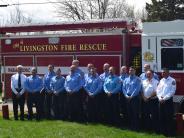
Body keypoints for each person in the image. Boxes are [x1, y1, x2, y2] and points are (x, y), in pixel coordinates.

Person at [156, 68, 176, 136]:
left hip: (168, 101)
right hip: (160, 101)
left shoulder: (172, 80)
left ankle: (170, 132)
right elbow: (158, 90)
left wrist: (164, 99)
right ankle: (163, 132)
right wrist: (159, 98)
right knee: (161, 117)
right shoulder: (161, 80)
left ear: (168, 73)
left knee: (169, 117)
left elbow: (172, 92)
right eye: (162, 72)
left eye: (164, 72)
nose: (162, 73)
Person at [123, 66, 142, 130]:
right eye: (130, 70)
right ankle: (130, 126)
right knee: (129, 112)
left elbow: (137, 89)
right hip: (127, 97)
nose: (131, 71)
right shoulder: (126, 79)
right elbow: (123, 88)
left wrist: (131, 96)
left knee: (135, 113)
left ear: (135, 71)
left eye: (132, 70)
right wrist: (126, 95)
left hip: (134, 98)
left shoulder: (138, 79)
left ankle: (136, 126)